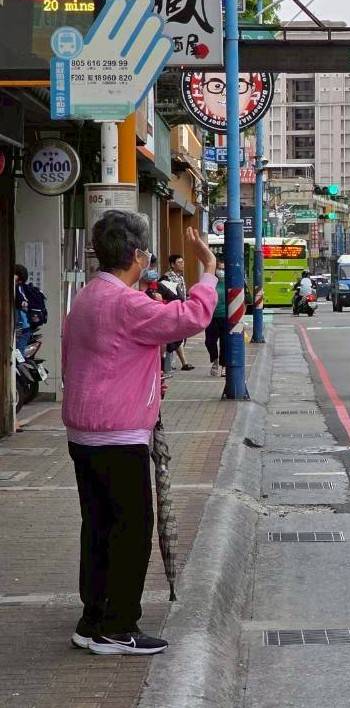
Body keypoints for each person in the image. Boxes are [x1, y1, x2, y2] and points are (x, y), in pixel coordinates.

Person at [62, 211, 217, 656]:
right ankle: (118, 626)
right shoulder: (127, 303)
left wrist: (145, 379)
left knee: (97, 527)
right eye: (146, 251)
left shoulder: (87, 297)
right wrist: (208, 269)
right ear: (136, 255)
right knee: (130, 531)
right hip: (118, 434)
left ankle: (92, 619)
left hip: (84, 430)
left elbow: (89, 359)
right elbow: (191, 316)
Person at [162, 255, 194, 371]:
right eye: (179, 262)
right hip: (173, 310)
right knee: (175, 337)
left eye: (183, 262)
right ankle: (176, 362)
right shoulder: (167, 278)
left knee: (179, 337)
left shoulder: (180, 277)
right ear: (172, 264)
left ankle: (176, 362)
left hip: (182, 309)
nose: (182, 264)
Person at [205, 259, 227, 376]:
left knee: (225, 342)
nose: (221, 271)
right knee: (210, 341)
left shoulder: (230, 282)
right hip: (211, 317)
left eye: (223, 269)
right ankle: (215, 360)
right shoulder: (212, 283)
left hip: (225, 317)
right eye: (219, 268)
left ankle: (224, 365)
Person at [13, 264, 31, 354]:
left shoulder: (18, 287)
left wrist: (23, 302)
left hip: (22, 328)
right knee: (18, 353)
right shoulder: (18, 287)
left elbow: (22, 300)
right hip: (23, 327)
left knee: (18, 354)